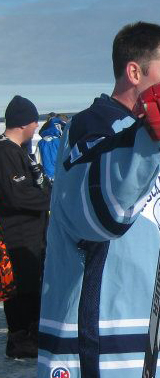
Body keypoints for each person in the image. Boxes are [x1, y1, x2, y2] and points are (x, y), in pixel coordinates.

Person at [37, 22, 160, 377]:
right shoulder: (94, 127)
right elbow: (103, 215)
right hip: (103, 350)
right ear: (134, 71)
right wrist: (149, 133)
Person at [1, 95, 51, 358]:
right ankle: (20, 339)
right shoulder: (6, 152)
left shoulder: (18, 152)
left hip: (32, 234)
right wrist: (50, 199)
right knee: (22, 289)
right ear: (24, 123)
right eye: (33, 122)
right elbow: (16, 194)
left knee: (31, 288)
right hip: (18, 235)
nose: (36, 128)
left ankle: (31, 334)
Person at [36, 112, 66, 182]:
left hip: (46, 177)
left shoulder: (41, 142)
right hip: (59, 177)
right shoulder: (60, 141)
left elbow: (37, 159)